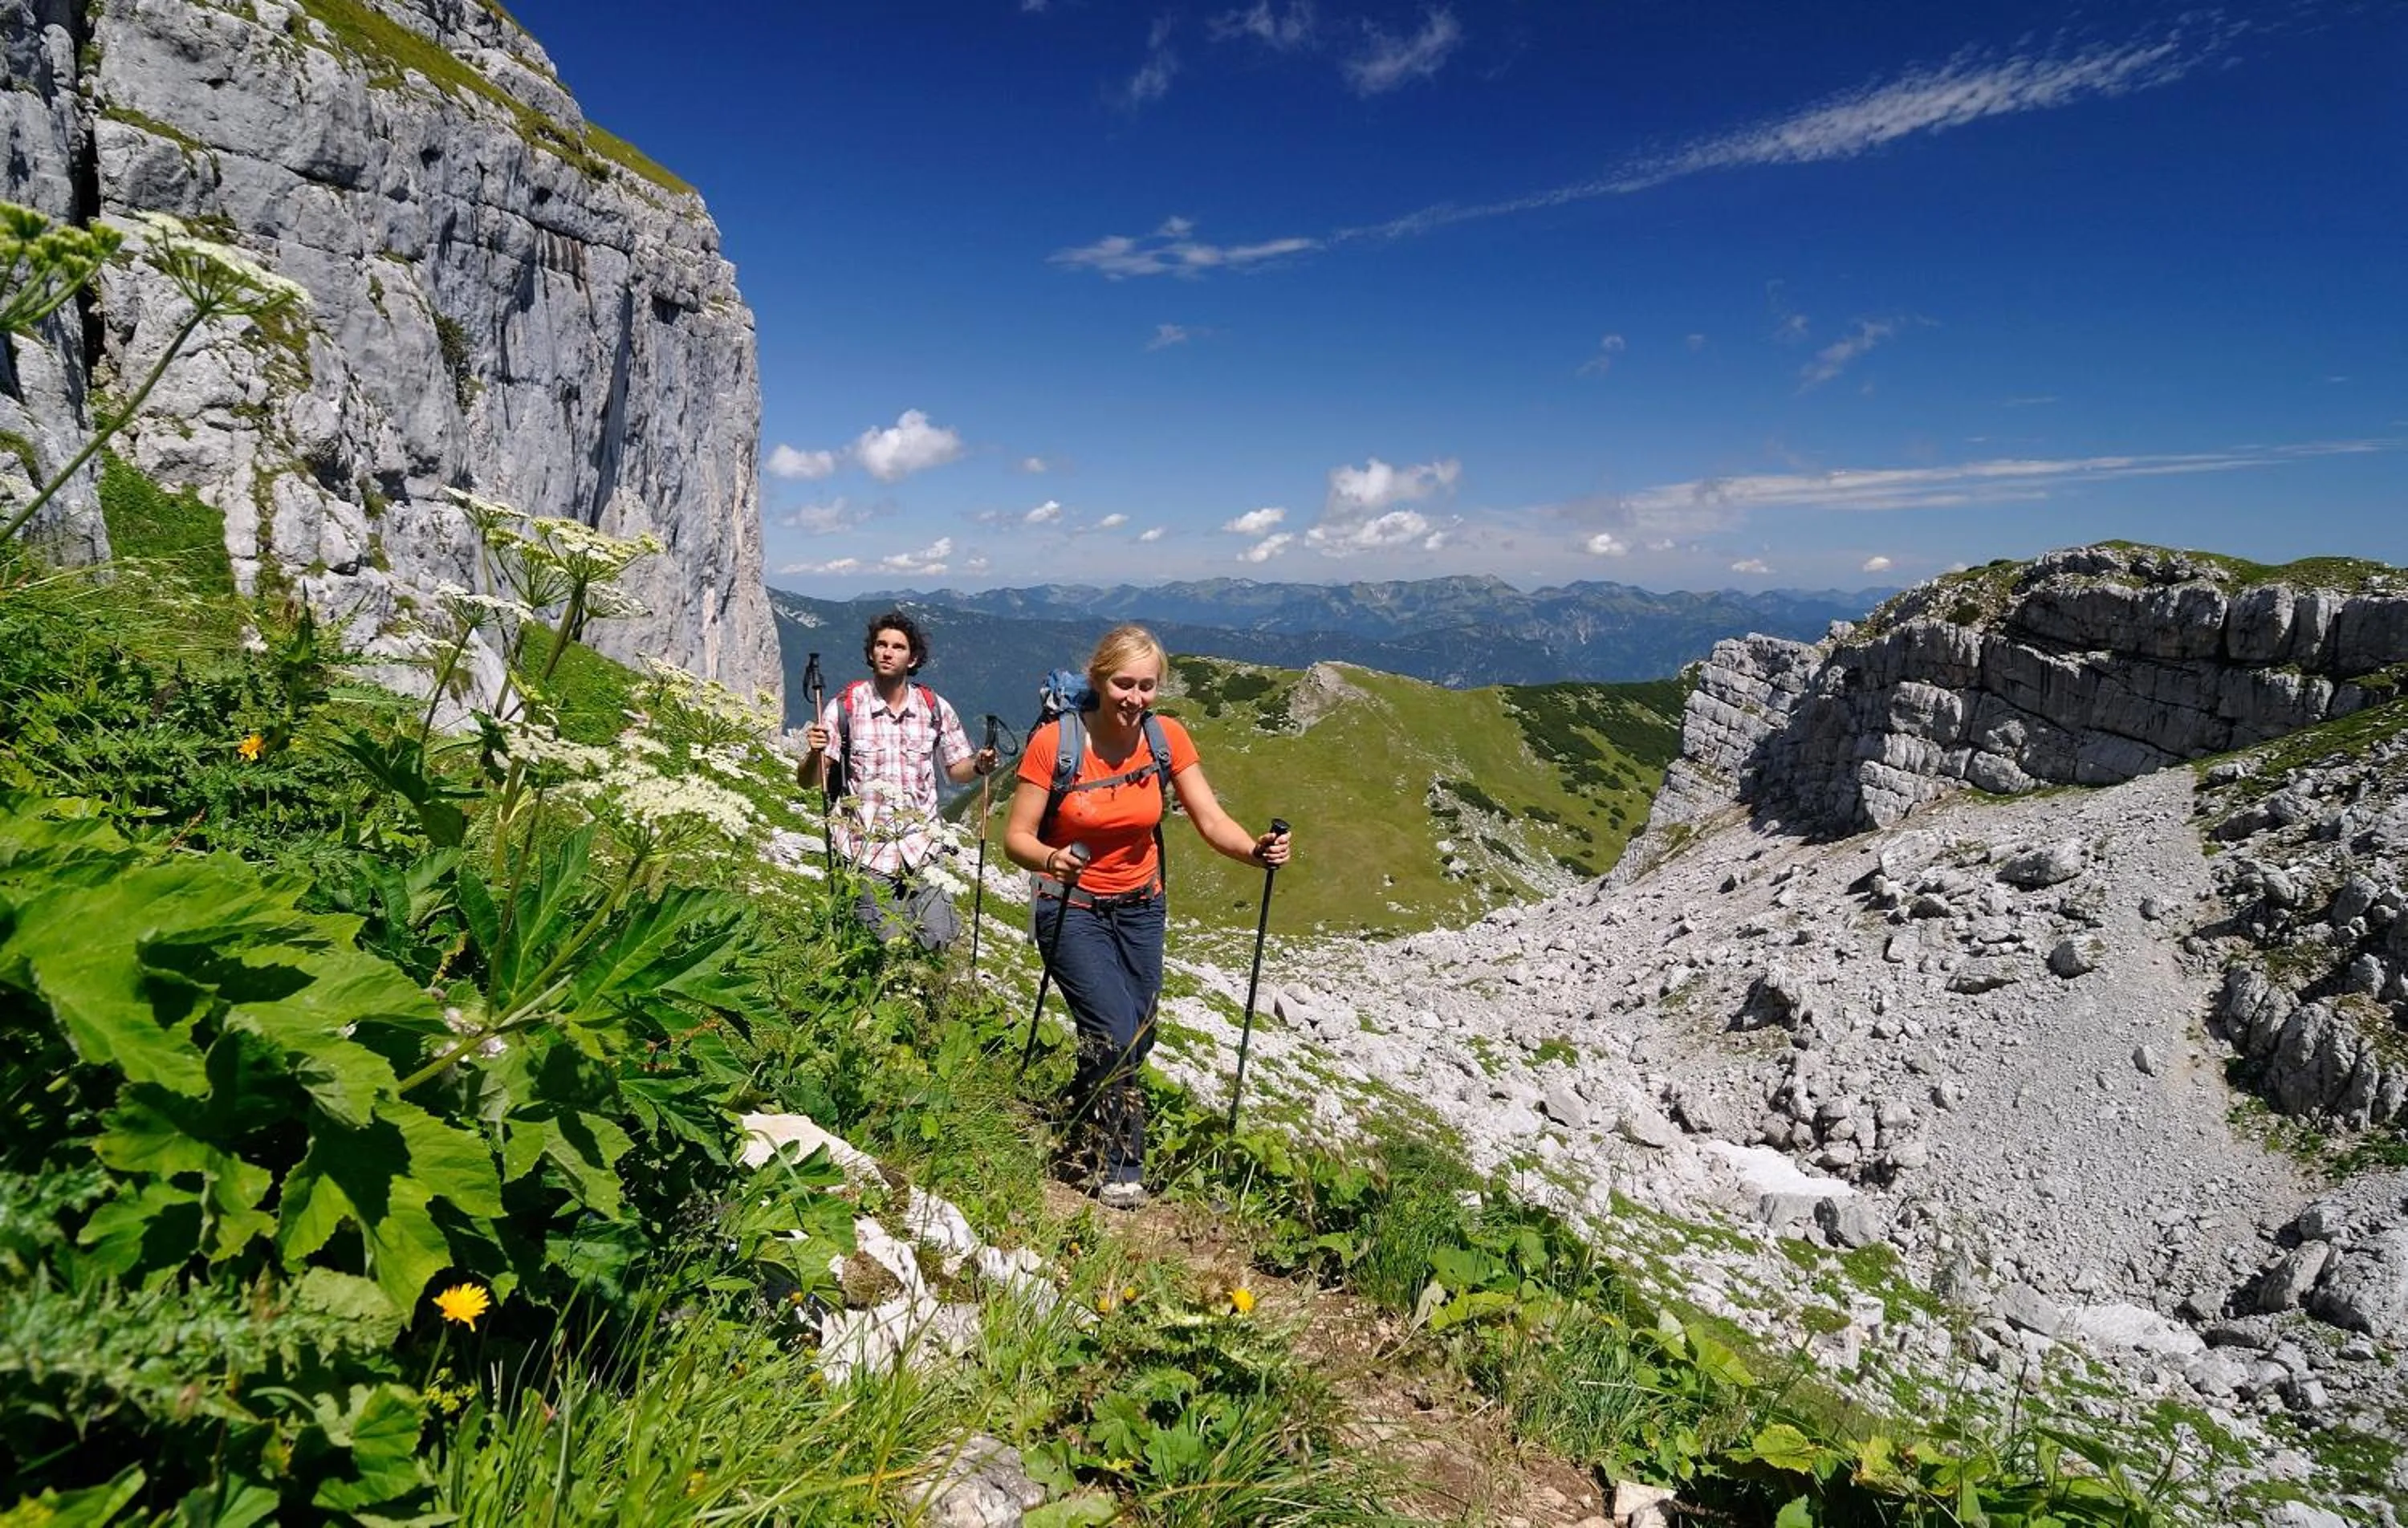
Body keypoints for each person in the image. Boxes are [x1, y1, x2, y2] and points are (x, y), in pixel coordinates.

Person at [1002, 624, 1291, 1209]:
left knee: (1140, 1034)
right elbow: (1015, 838)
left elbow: (1209, 819)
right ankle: (1119, 1163)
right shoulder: (1055, 744)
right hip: (1070, 906)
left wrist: (1254, 851)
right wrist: (1051, 858)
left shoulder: (1166, 738)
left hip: (1141, 906)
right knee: (1114, 1031)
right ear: (1099, 680)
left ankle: (1073, 1116)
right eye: (1123, 684)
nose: (1135, 698)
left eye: (1147, 686)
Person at [799, 610, 998, 949]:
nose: (888, 652)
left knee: (938, 937)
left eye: (898, 647)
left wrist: (979, 766)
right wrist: (812, 754)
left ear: (913, 657)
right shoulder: (845, 707)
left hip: (921, 847)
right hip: (866, 850)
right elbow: (812, 782)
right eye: (881, 645)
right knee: (882, 944)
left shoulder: (934, 707)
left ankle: (918, 995)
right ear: (871, 652)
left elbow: (956, 770)